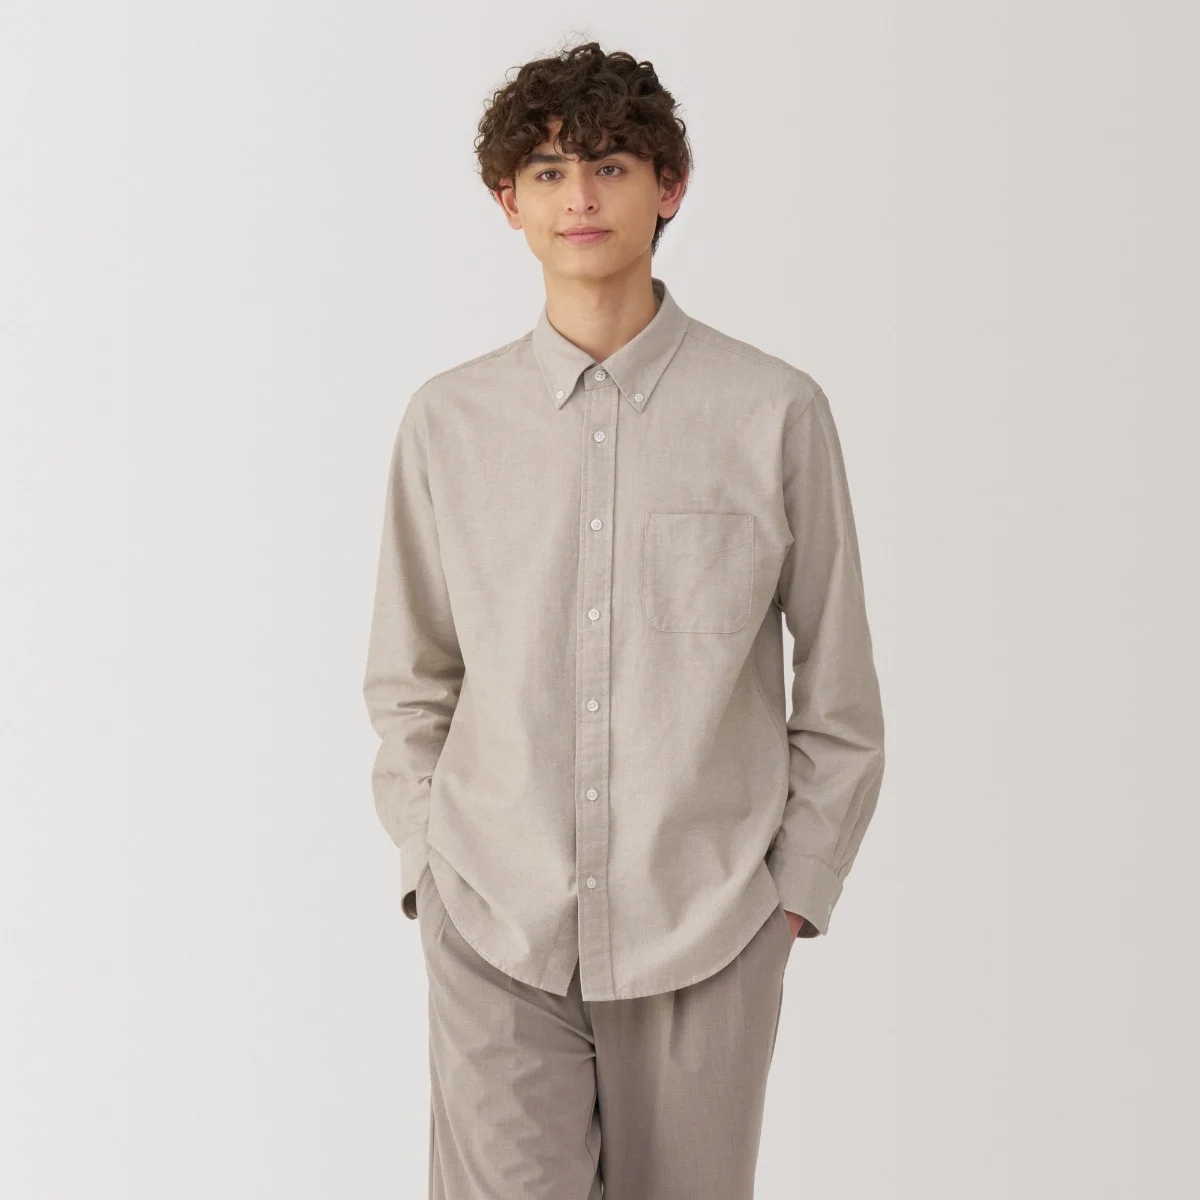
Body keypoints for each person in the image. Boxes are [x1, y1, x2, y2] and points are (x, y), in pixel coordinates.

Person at [362, 39, 886, 1200]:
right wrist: (429, 867)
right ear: (509, 202)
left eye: (610, 165)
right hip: (493, 918)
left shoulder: (775, 413)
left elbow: (839, 690)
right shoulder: (448, 423)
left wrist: (791, 896)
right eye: (549, 172)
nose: (581, 198)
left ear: (670, 186)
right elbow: (410, 676)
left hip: (708, 927)